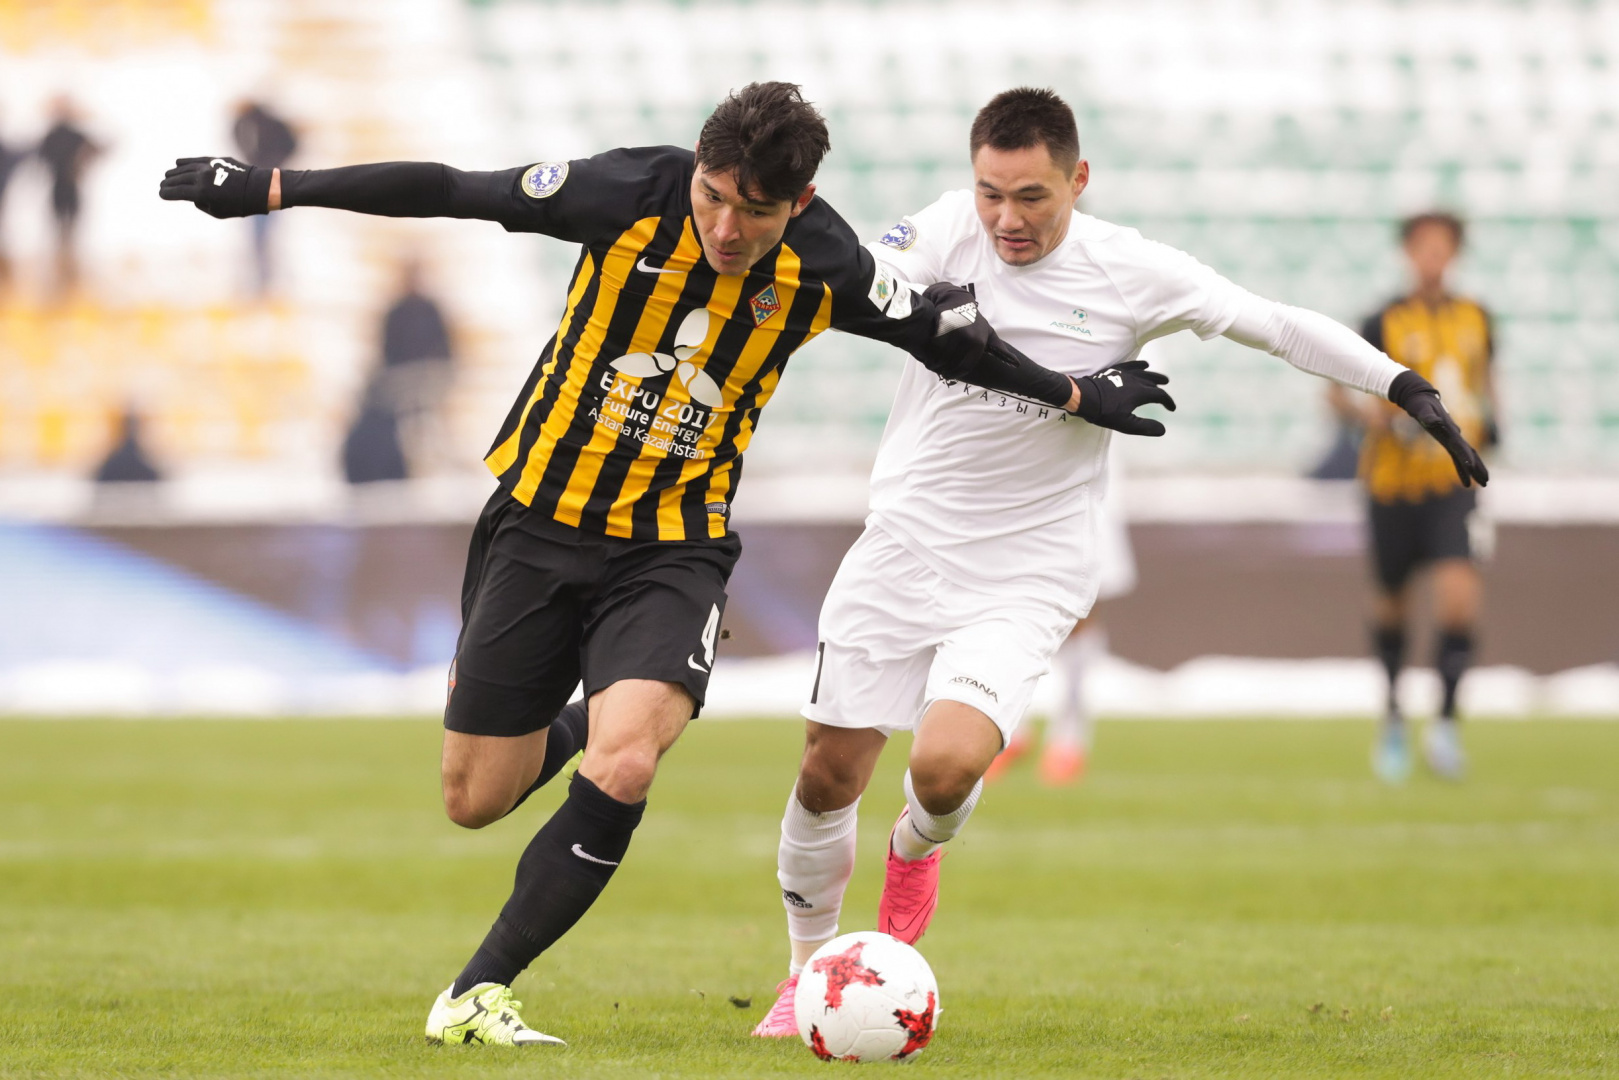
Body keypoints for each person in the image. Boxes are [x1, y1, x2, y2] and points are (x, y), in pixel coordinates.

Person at [160, 81, 1094, 1048]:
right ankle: (587, 714)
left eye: (755, 211)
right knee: (475, 799)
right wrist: (275, 188)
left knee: (630, 760)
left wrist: (1075, 391)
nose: (726, 229)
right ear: (696, 170)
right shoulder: (623, 193)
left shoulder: (829, 264)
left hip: (672, 546)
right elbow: (452, 187)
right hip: (536, 523)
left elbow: (947, 341)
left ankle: (475, 993)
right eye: (712, 198)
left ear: (800, 203)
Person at [750, 88, 1489, 1037]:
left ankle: (916, 850)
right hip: (903, 545)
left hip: (1026, 570)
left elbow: (1271, 322)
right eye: (989, 194)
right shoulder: (943, 229)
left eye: (1031, 197)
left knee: (942, 769)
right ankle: (805, 974)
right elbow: (859, 277)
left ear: (1078, 181)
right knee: (826, 774)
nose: (1005, 220)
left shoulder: (1129, 269)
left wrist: (1402, 384)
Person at [1328, 211, 1496, 783]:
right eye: (1424, 247)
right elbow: (1336, 393)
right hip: (1391, 486)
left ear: (1455, 254)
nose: (1433, 258)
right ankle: (1395, 713)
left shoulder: (1477, 319)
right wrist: (1374, 418)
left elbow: (1486, 384)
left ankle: (1445, 722)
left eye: (1442, 248)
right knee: (1392, 605)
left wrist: (1492, 430)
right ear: (1408, 253)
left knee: (1458, 600)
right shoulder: (1382, 321)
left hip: (1453, 485)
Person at [982, 451, 1136, 786]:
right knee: (1013, 598)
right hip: (1028, 474)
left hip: (1088, 472)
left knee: (1081, 610)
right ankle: (1012, 727)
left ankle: (1069, 738)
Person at [232, 100, 298, 295]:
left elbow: (291, 145)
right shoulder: (246, 123)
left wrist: (273, 163)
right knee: (259, 232)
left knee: (266, 231)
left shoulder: (268, 123)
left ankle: (269, 279)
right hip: (257, 180)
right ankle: (262, 277)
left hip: (268, 181)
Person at [38, 95, 101, 295]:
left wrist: (81, 164)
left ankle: (68, 272)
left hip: (67, 187)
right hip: (62, 188)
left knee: (67, 231)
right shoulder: (61, 135)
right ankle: (64, 271)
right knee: (64, 231)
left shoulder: (64, 135)